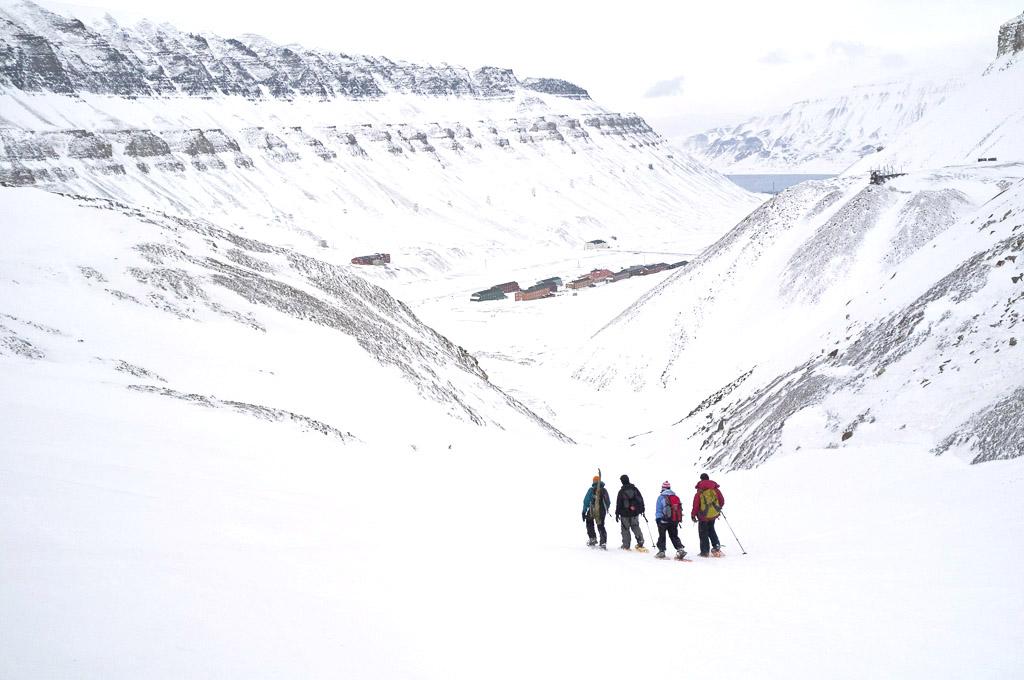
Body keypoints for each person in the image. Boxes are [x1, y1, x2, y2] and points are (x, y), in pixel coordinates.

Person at [691, 473, 725, 557]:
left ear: (701, 479)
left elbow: (696, 505)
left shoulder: (699, 491)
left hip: (703, 516)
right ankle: (716, 546)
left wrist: (693, 515)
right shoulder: (715, 489)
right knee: (711, 530)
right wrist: (717, 509)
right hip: (713, 515)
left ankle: (705, 552)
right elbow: (722, 500)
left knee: (703, 533)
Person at [654, 481, 686, 560]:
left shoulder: (661, 497)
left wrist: (658, 519)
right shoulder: (675, 496)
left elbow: (658, 510)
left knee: (662, 536)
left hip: (663, 520)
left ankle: (661, 551)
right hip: (674, 520)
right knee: (674, 535)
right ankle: (680, 549)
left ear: (663, 488)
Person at [615, 474, 646, 550]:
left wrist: (617, 513)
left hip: (624, 513)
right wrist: (642, 509)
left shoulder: (621, 491)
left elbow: (619, 503)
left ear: (622, 481)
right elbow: (640, 500)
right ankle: (640, 541)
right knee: (635, 526)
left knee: (625, 529)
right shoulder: (635, 489)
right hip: (634, 512)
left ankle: (626, 545)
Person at [582, 475, 611, 549]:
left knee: (589, 522)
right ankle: (603, 542)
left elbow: (586, 501)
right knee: (601, 526)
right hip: (602, 511)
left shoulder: (591, 490)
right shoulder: (604, 490)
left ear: (594, 481)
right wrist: (605, 509)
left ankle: (593, 539)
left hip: (592, 510)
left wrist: (584, 511)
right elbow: (608, 502)